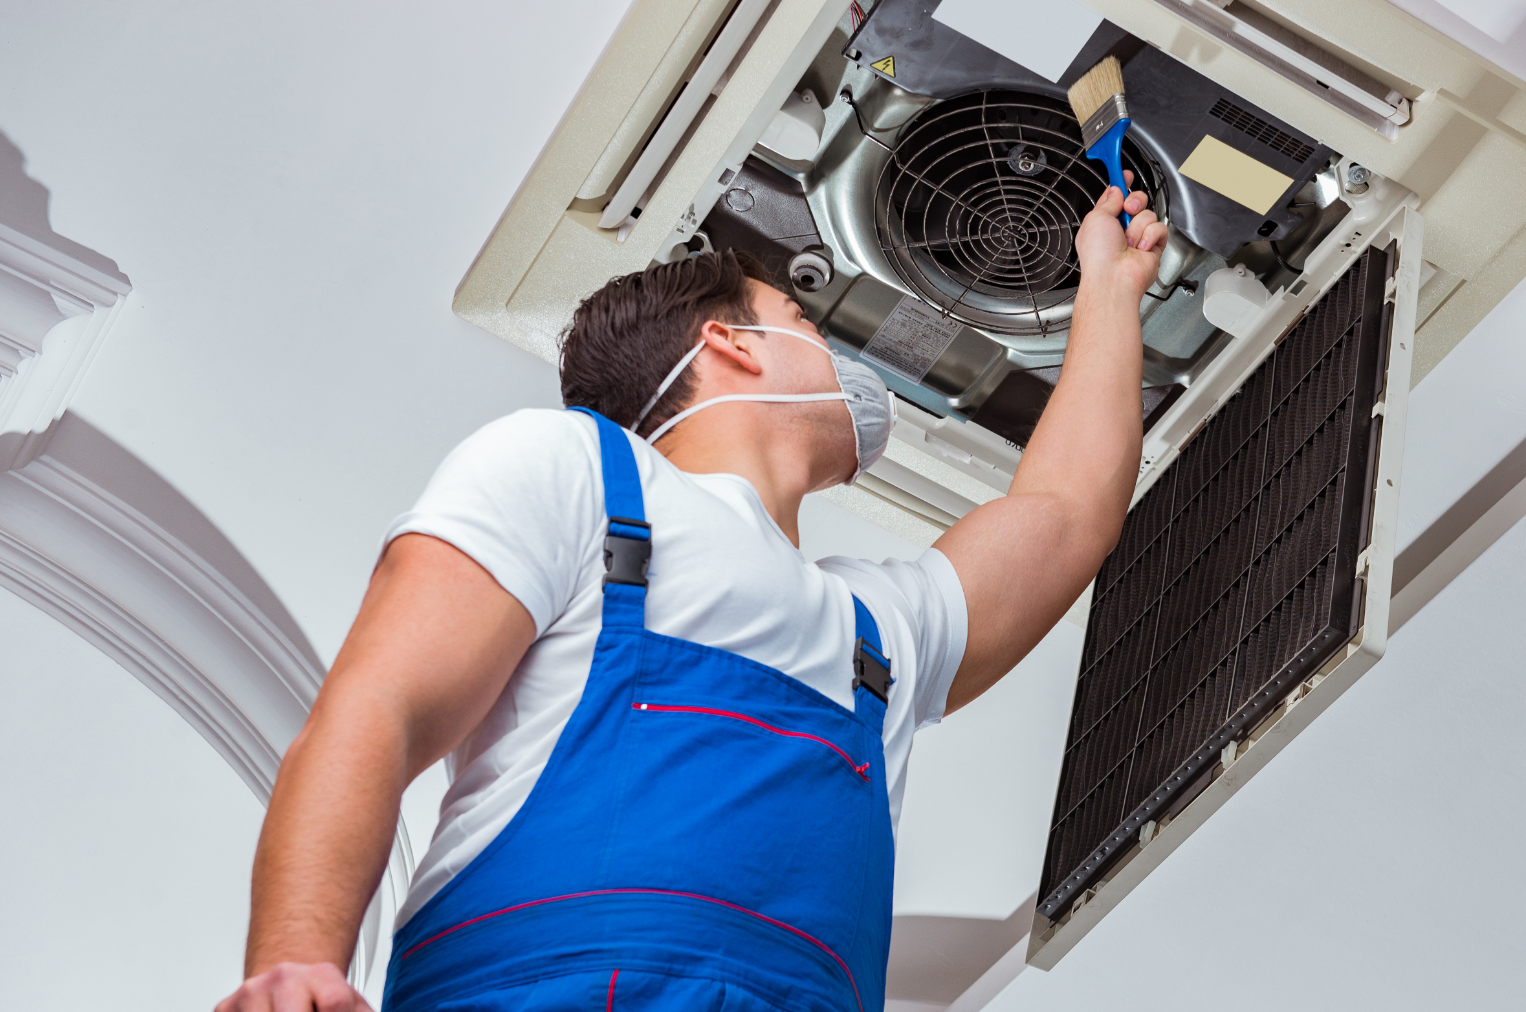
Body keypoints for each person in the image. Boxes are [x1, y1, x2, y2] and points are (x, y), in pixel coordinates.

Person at [215, 183, 1167, 1012]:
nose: (840, 360)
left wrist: (1109, 288)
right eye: (804, 325)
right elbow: (378, 706)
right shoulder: (577, 469)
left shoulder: (877, 630)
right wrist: (296, 968)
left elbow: (1066, 514)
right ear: (729, 345)